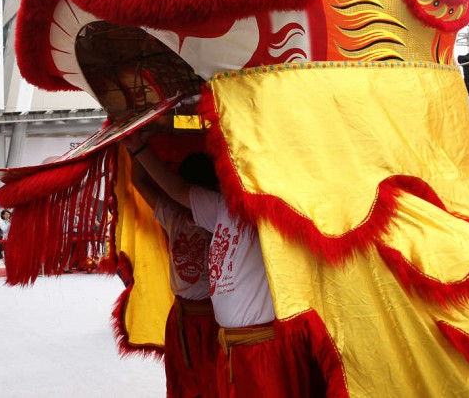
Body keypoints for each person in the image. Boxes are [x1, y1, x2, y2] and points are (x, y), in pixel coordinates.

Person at [129, 141, 324, 397]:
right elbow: (177, 189)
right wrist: (138, 147)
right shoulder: (222, 206)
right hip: (228, 346)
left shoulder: (270, 215)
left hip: (263, 349)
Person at [124, 136, 219, 398]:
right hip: (181, 317)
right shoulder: (173, 214)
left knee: (214, 386)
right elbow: (138, 181)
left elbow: (141, 182)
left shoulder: (221, 217)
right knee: (183, 385)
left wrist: (139, 145)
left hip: (215, 319)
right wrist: (142, 140)